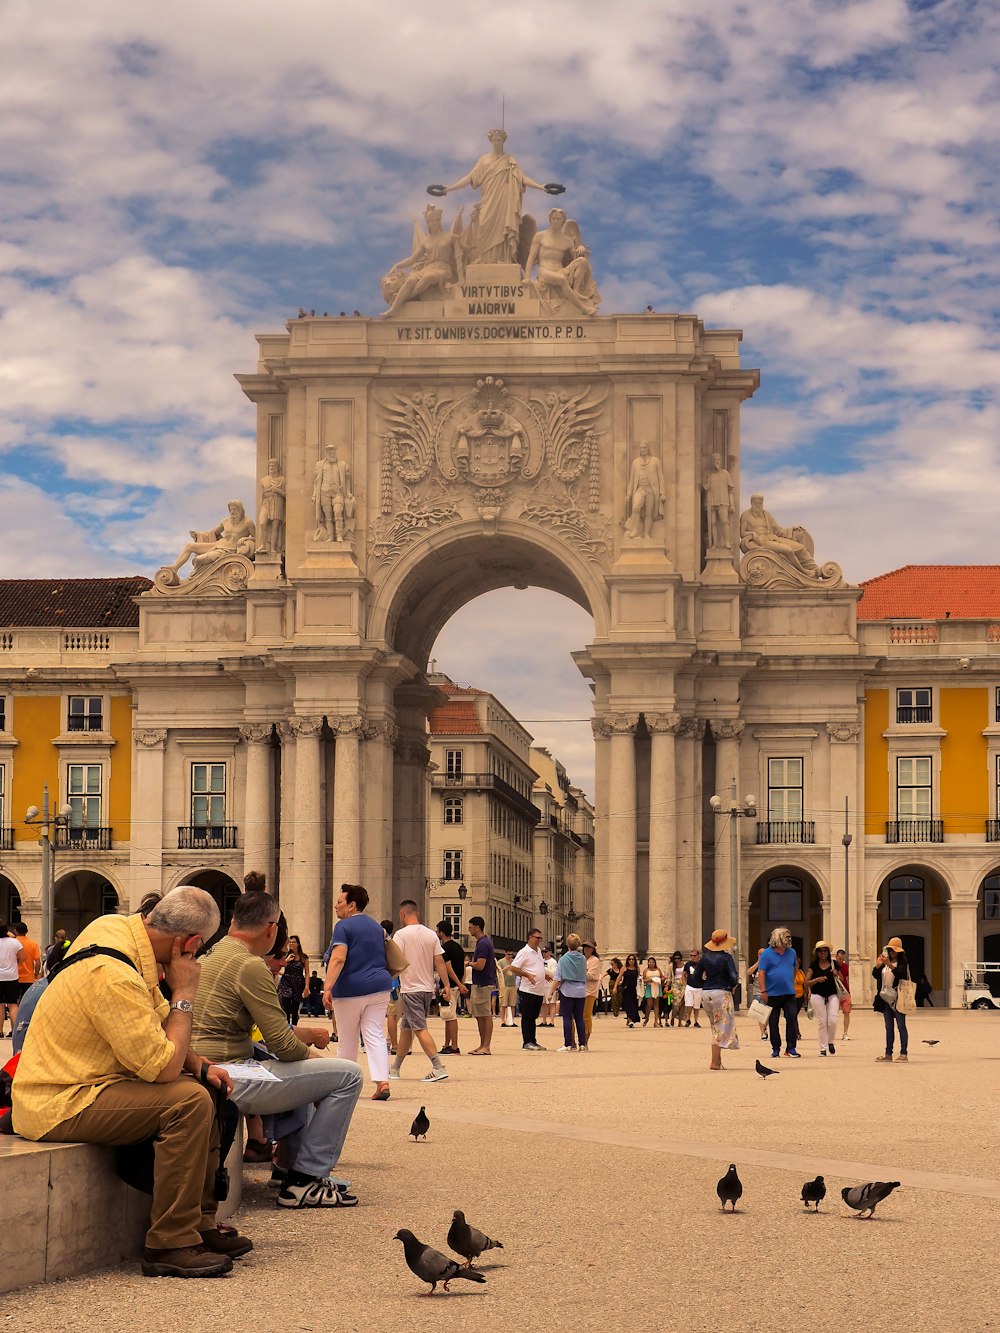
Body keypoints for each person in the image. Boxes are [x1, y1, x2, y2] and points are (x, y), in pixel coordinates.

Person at [12, 887, 253, 1278]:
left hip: (78, 1082)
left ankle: (200, 1224)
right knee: (188, 1100)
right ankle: (170, 1243)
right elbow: (163, 1069)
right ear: (190, 943)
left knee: (206, 1088)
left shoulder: (113, 929)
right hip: (60, 1100)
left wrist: (201, 1064)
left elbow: (155, 1018)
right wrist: (186, 991)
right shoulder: (116, 978)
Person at [193, 891, 363, 1208]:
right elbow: (283, 1046)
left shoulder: (210, 956)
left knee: (303, 1077)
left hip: (206, 1068)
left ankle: (290, 1169)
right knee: (348, 1075)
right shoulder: (249, 965)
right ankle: (306, 1180)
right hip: (231, 1073)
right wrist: (316, 1059)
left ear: (233, 922)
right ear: (271, 928)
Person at [435, 127, 555, 265]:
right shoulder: (484, 160)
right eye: (495, 140)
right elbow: (470, 178)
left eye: (499, 140)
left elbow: (522, 178)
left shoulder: (509, 161)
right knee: (484, 226)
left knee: (504, 227)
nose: (497, 142)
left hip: (504, 201)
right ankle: (484, 258)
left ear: (503, 141)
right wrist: (450, 188)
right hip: (488, 200)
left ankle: (504, 259)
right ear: (491, 141)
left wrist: (540, 187)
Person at [322, 884, 392, 1102]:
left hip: (351, 989)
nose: (336, 905)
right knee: (375, 1034)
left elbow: (339, 958)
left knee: (347, 1037)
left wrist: (328, 987)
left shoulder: (343, 927)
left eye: (340, 902)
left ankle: (346, 1083)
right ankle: (383, 1082)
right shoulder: (377, 927)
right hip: (380, 986)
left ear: (352, 905)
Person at [389, 900, 451, 1082]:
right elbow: (439, 961)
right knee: (406, 1029)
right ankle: (395, 1069)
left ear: (402, 914)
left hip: (411, 989)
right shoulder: (431, 934)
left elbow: (394, 961)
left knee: (420, 1028)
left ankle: (438, 1066)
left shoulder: (401, 935)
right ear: (417, 913)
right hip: (426, 989)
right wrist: (446, 985)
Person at [382, 203, 465, 314]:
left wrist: (459, 243)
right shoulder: (425, 241)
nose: (434, 223)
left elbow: (461, 254)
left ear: (439, 220)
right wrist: (397, 265)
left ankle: (404, 298)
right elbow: (413, 259)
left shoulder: (449, 236)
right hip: (427, 268)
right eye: (431, 221)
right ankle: (393, 309)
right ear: (428, 223)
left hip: (443, 269)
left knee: (428, 278)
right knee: (411, 280)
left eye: (436, 220)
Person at [523, 209, 598, 315]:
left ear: (563, 221)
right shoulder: (540, 236)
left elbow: (575, 259)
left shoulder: (567, 240)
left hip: (560, 270)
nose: (555, 221)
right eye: (553, 218)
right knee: (562, 280)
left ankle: (575, 291)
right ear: (550, 219)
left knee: (582, 261)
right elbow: (530, 258)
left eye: (558, 219)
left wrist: (581, 247)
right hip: (545, 272)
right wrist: (527, 277)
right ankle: (584, 309)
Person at [168, 500, 255, 576]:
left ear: (240, 510)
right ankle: (175, 568)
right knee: (189, 546)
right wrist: (198, 535)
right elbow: (213, 533)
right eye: (230, 510)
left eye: (234, 509)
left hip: (229, 551)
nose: (232, 512)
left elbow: (258, 538)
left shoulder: (248, 523)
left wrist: (245, 539)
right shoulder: (225, 521)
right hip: (218, 545)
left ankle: (194, 579)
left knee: (198, 560)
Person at [739, 493, 819, 576]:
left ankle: (815, 569)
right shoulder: (746, 515)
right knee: (788, 550)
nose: (758, 505)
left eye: (760, 503)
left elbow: (778, 530)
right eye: (756, 503)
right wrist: (752, 533)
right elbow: (742, 533)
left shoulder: (766, 514)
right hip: (761, 541)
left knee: (800, 547)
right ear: (751, 503)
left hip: (773, 538)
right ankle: (803, 572)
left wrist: (792, 528)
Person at [697, 930, 740, 1071]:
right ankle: (714, 1063)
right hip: (721, 992)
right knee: (721, 1027)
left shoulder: (705, 958)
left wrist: (705, 983)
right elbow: (734, 976)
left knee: (715, 1026)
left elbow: (696, 976)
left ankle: (718, 1061)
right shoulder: (726, 958)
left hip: (706, 993)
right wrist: (732, 986)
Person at [757, 927, 800, 1058]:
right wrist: (764, 991)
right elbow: (761, 973)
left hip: (788, 993)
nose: (789, 939)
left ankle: (791, 1048)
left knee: (792, 1019)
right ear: (778, 937)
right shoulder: (766, 954)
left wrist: (790, 981)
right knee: (773, 1022)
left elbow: (795, 967)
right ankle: (775, 1048)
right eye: (786, 936)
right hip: (772, 994)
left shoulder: (791, 952)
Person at [873, 937, 911, 1063]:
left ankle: (903, 1053)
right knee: (889, 1027)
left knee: (901, 1025)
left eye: (895, 950)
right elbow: (875, 975)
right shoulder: (885, 964)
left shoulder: (902, 964)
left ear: (900, 952)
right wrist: (878, 965)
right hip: (885, 998)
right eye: (890, 950)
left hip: (898, 998)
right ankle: (888, 1053)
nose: (892, 952)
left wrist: (889, 964)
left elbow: (901, 974)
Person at [510, 927, 547, 1051]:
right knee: (527, 1016)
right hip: (528, 989)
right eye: (537, 938)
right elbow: (513, 968)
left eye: (540, 938)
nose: (539, 940)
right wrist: (527, 975)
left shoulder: (538, 951)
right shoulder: (524, 952)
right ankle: (527, 1042)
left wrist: (544, 974)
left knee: (534, 1016)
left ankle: (533, 1040)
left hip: (538, 990)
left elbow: (537, 966)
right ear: (530, 937)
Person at [549, 934, 588, 1052]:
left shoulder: (563, 959)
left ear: (567, 945)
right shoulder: (583, 959)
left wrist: (551, 992)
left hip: (567, 990)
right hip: (581, 990)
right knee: (579, 1018)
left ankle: (567, 1044)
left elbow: (558, 978)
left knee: (567, 1018)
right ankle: (582, 1044)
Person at [435, 920, 468, 1055]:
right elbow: (463, 967)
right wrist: (462, 982)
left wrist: (458, 984)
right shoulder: (458, 947)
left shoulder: (444, 949)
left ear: (441, 932)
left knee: (451, 1016)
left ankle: (454, 1046)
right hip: (456, 985)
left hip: (449, 986)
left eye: (437, 931)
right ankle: (447, 1044)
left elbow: (448, 969)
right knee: (448, 1016)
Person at [312, 444, 355, 543]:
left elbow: (347, 479)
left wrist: (348, 492)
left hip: (337, 492)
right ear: (326, 454)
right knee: (328, 517)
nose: (332, 454)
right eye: (329, 453)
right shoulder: (319, 465)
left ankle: (339, 535)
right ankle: (331, 536)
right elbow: (316, 481)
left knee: (338, 511)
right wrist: (314, 494)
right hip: (324, 492)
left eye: (333, 452)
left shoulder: (342, 465)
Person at [804, 941, 840, 1056]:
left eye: (825, 951)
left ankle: (831, 1042)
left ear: (828, 952)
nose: (823, 953)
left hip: (832, 995)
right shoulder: (813, 966)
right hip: (817, 995)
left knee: (832, 1020)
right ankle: (823, 1048)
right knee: (822, 1021)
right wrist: (816, 980)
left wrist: (836, 974)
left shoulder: (834, 963)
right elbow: (806, 983)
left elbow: (842, 980)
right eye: (820, 951)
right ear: (817, 953)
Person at [625, 442, 666, 539]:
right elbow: (631, 479)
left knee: (649, 513)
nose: (642, 449)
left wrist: (662, 493)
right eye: (641, 448)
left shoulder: (655, 461)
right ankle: (635, 530)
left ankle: (646, 533)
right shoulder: (635, 462)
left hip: (651, 491)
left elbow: (661, 478)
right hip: (639, 490)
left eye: (644, 447)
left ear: (648, 449)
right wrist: (629, 494)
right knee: (635, 508)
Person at [467, 916, 496, 1056]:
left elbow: (480, 965)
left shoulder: (483, 944)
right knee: (479, 1015)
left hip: (483, 983)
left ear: (477, 927)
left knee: (485, 1014)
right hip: (481, 982)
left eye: (471, 926)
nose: (469, 929)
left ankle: (486, 1046)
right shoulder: (483, 942)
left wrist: (468, 963)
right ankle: (482, 1044)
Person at [703, 452, 734, 549]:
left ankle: (727, 542)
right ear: (712, 462)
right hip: (711, 501)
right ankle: (715, 544)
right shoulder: (708, 474)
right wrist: (705, 486)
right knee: (712, 523)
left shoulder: (725, 473)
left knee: (724, 521)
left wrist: (732, 504)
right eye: (715, 460)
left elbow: (730, 491)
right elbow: (703, 486)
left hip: (723, 501)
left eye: (718, 460)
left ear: (720, 461)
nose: (716, 462)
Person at [277, 934, 308, 1026]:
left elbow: (307, 973)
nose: (291, 944)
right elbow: (276, 966)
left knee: (295, 1009)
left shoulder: (304, 957)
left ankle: (294, 1028)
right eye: (290, 942)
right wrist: (286, 960)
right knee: (286, 1006)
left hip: (298, 983)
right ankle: (286, 1028)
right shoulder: (284, 955)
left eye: (293, 942)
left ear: (298, 944)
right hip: (286, 982)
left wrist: (306, 987)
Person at [0, 924, 25, 1038]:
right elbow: (23, 957)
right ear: (7, 931)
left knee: (0, 1005)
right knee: (12, 1004)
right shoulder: (14, 942)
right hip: (12, 976)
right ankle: (15, 1032)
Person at [258, 459, 286, 555]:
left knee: (275, 526)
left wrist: (277, 490)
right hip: (266, 503)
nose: (271, 468)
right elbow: (261, 496)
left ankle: (273, 548)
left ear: (278, 467)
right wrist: (261, 507)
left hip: (278, 502)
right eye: (270, 466)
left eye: (273, 466)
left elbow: (287, 495)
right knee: (262, 523)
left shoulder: (282, 479)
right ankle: (263, 545)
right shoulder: (264, 480)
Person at [13, 921, 41, 1001]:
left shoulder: (13, 943)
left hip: (14, 977)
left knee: (14, 1002)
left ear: (15, 931)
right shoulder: (33, 944)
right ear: (27, 931)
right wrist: (36, 974)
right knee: (26, 1001)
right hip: (29, 978)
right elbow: (38, 963)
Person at [582, 940, 601, 1044]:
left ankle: (586, 1039)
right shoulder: (582, 959)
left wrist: (580, 973)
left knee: (586, 1015)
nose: (586, 949)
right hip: (580, 990)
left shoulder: (595, 960)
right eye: (585, 947)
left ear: (593, 949)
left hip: (590, 991)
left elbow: (593, 976)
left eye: (589, 947)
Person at [615, 953, 641, 1027]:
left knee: (634, 1005)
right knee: (628, 1004)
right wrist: (615, 987)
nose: (631, 961)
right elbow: (619, 977)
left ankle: (629, 1019)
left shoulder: (637, 969)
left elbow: (638, 978)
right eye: (630, 959)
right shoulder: (624, 968)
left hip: (634, 989)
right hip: (626, 988)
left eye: (633, 959)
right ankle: (630, 1021)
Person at [682, 948, 703, 1028]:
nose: (693, 957)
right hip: (690, 986)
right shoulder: (688, 964)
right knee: (688, 1004)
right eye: (691, 956)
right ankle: (688, 1019)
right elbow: (683, 974)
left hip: (699, 987)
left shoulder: (701, 964)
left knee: (697, 1005)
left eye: (694, 955)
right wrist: (685, 984)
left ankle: (696, 1020)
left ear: (698, 956)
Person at [641, 956, 664, 1027]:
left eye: (653, 962)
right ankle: (647, 1017)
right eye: (650, 962)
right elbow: (643, 980)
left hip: (657, 987)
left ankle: (656, 1021)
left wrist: (660, 979)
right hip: (649, 987)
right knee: (649, 1004)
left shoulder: (658, 969)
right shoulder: (646, 970)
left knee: (656, 1005)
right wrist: (650, 980)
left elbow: (662, 977)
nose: (651, 963)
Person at [835, 948, 852, 1040]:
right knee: (833, 1013)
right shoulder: (832, 966)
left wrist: (849, 993)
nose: (841, 961)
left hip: (845, 992)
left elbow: (845, 979)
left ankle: (845, 1033)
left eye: (842, 959)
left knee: (846, 1013)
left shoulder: (845, 967)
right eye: (839, 958)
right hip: (835, 993)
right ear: (836, 957)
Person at [500, 949, 518, 1027]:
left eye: (511, 955)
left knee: (512, 1004)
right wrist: (507, 968)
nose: (510, 956)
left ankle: (511, 1020)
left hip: (513, 984)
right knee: (503, 1004)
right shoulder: (500, 962)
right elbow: (499, 972)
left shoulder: (515, 961)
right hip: (504, 985)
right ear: (505, 953)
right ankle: (503, 1020)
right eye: (508, 954)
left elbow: (518, 971)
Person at [540, 946, 557, 1026]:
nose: (544, 953)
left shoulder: (553, 962)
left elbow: (553, 973)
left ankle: (552, 1021)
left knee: (551, 1003)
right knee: (543, 1003)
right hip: (542, 984)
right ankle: (544, 1020)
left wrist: (544, 969)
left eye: (546, 952)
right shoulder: (540, 961)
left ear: (550, 952)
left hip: (550, 985)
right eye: (543, 952)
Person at [668, 951, 686, 1026]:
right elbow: (669, 977)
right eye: (675, 958)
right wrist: (667, 985)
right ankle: (672, 1017)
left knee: (682, 1003)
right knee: (675, 1003)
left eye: (678, 958)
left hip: (683, 984)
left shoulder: (685, 965)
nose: (677, 960)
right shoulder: (671, 966)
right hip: (675, 984)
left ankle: (680, 1021)